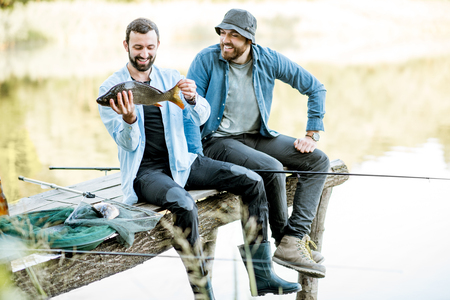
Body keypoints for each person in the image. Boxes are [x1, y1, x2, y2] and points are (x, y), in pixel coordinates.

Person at [98, 17, 301, 299]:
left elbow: (202, 115)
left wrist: (193, 99)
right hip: (146, 173)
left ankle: (261, 274)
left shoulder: (171, 78)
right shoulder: (111, 90)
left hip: (184, 162)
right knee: (183, 203)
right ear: (126, 46)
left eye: (150, 47)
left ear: (157, 46)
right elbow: (125, 143)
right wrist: (130, 119)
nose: (144, 54)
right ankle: (203, 292)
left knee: (253, 180)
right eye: (137, 48)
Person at [187, 9, 330, 279]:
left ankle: (293, 239)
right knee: (271, 167)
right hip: (217, 141)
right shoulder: (206, 59)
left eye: (234, 35)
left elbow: (315, 88)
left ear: (249, 40)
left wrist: (311, 134)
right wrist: (193, 157)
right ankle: (285, 243)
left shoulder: (268, 59)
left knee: (318, 161)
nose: (225, 40)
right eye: (223, 33)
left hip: (257, 135)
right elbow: (187, 111)